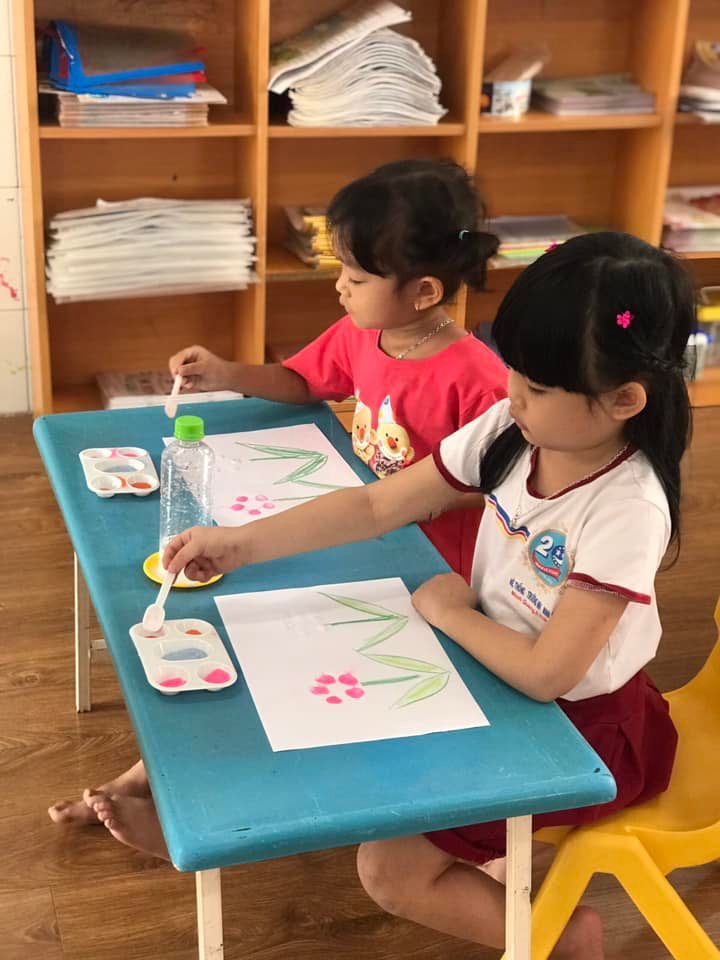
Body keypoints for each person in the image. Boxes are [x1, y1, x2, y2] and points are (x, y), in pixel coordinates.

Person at [86, 232, 691, 959]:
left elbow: (546, 674)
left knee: (388, 868)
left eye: (535, 386)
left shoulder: (628, 507)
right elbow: (377, 505)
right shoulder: (516, 429)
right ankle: (204, 816)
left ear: (624, 400)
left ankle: (564, 940)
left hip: (581, 732)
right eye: (514, 372)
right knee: (315, 671)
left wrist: (448, 612)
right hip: (491, 674)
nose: (511, 393)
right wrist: (239, 543)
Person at [48, 157, 506, 830]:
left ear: (424, 292)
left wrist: (425, 496)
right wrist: (226, 373)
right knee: (250, 619)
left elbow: (500, 488)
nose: (340, 289)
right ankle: (154, 776)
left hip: (433, 569)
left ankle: (181, 797)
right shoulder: (366, 334)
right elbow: (303, 382)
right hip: (365, 536)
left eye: (356, 278)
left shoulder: (478, 379)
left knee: (292, 652)